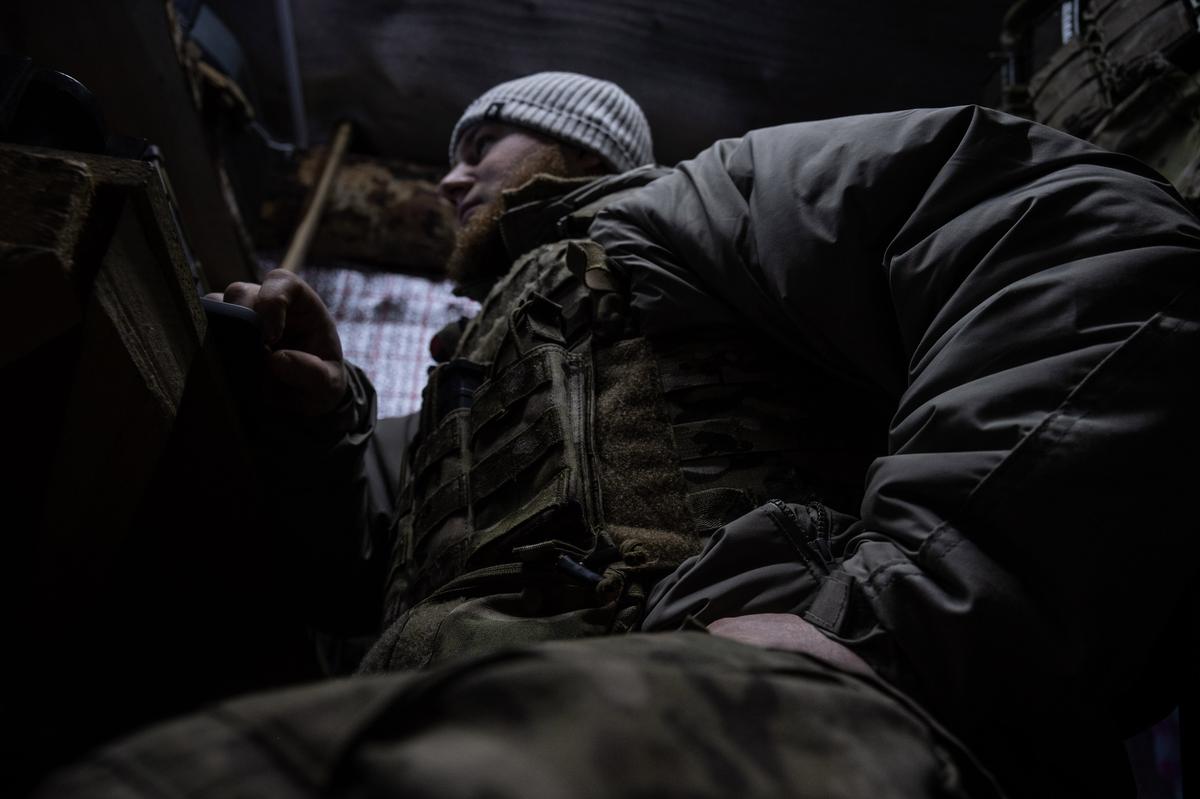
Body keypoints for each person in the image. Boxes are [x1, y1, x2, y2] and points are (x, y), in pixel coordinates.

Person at [38, 72, 1200, 798]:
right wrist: (323, 422)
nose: (447, 179)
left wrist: (902, 627)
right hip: (498, 714)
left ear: (577, 148)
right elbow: (364, 576)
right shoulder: (480, 361)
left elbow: (1086, 247)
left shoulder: (699, 202)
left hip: (740, 713)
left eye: (481, 147)